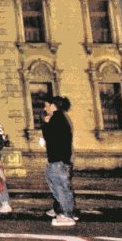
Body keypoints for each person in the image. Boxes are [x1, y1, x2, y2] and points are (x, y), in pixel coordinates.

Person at [42, 95, 76, 227]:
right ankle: (66, 213)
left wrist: (45, 123)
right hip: (61, 159)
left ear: (53, 106)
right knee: (61, 186)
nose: (45, 108)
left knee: (59, 186)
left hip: (57, 159)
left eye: (46, 105)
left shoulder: (56, 118)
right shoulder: (61, 118)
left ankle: (66, 215)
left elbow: (50, 137)